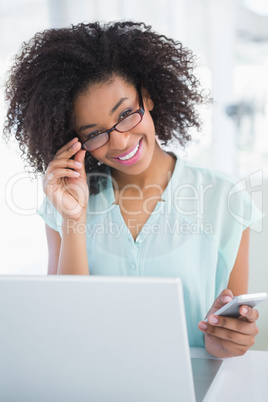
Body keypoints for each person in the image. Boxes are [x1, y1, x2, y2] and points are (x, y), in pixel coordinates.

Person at [4, 21, 262, 358]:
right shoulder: (63, 203)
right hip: (96, 385)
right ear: (74, 142)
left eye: (126, 113)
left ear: (148, 96)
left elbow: (230, 331)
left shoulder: (224, 199)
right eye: (94, 133)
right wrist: (73, 219)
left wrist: (223, 342)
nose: (120, 141)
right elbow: (66, 324)